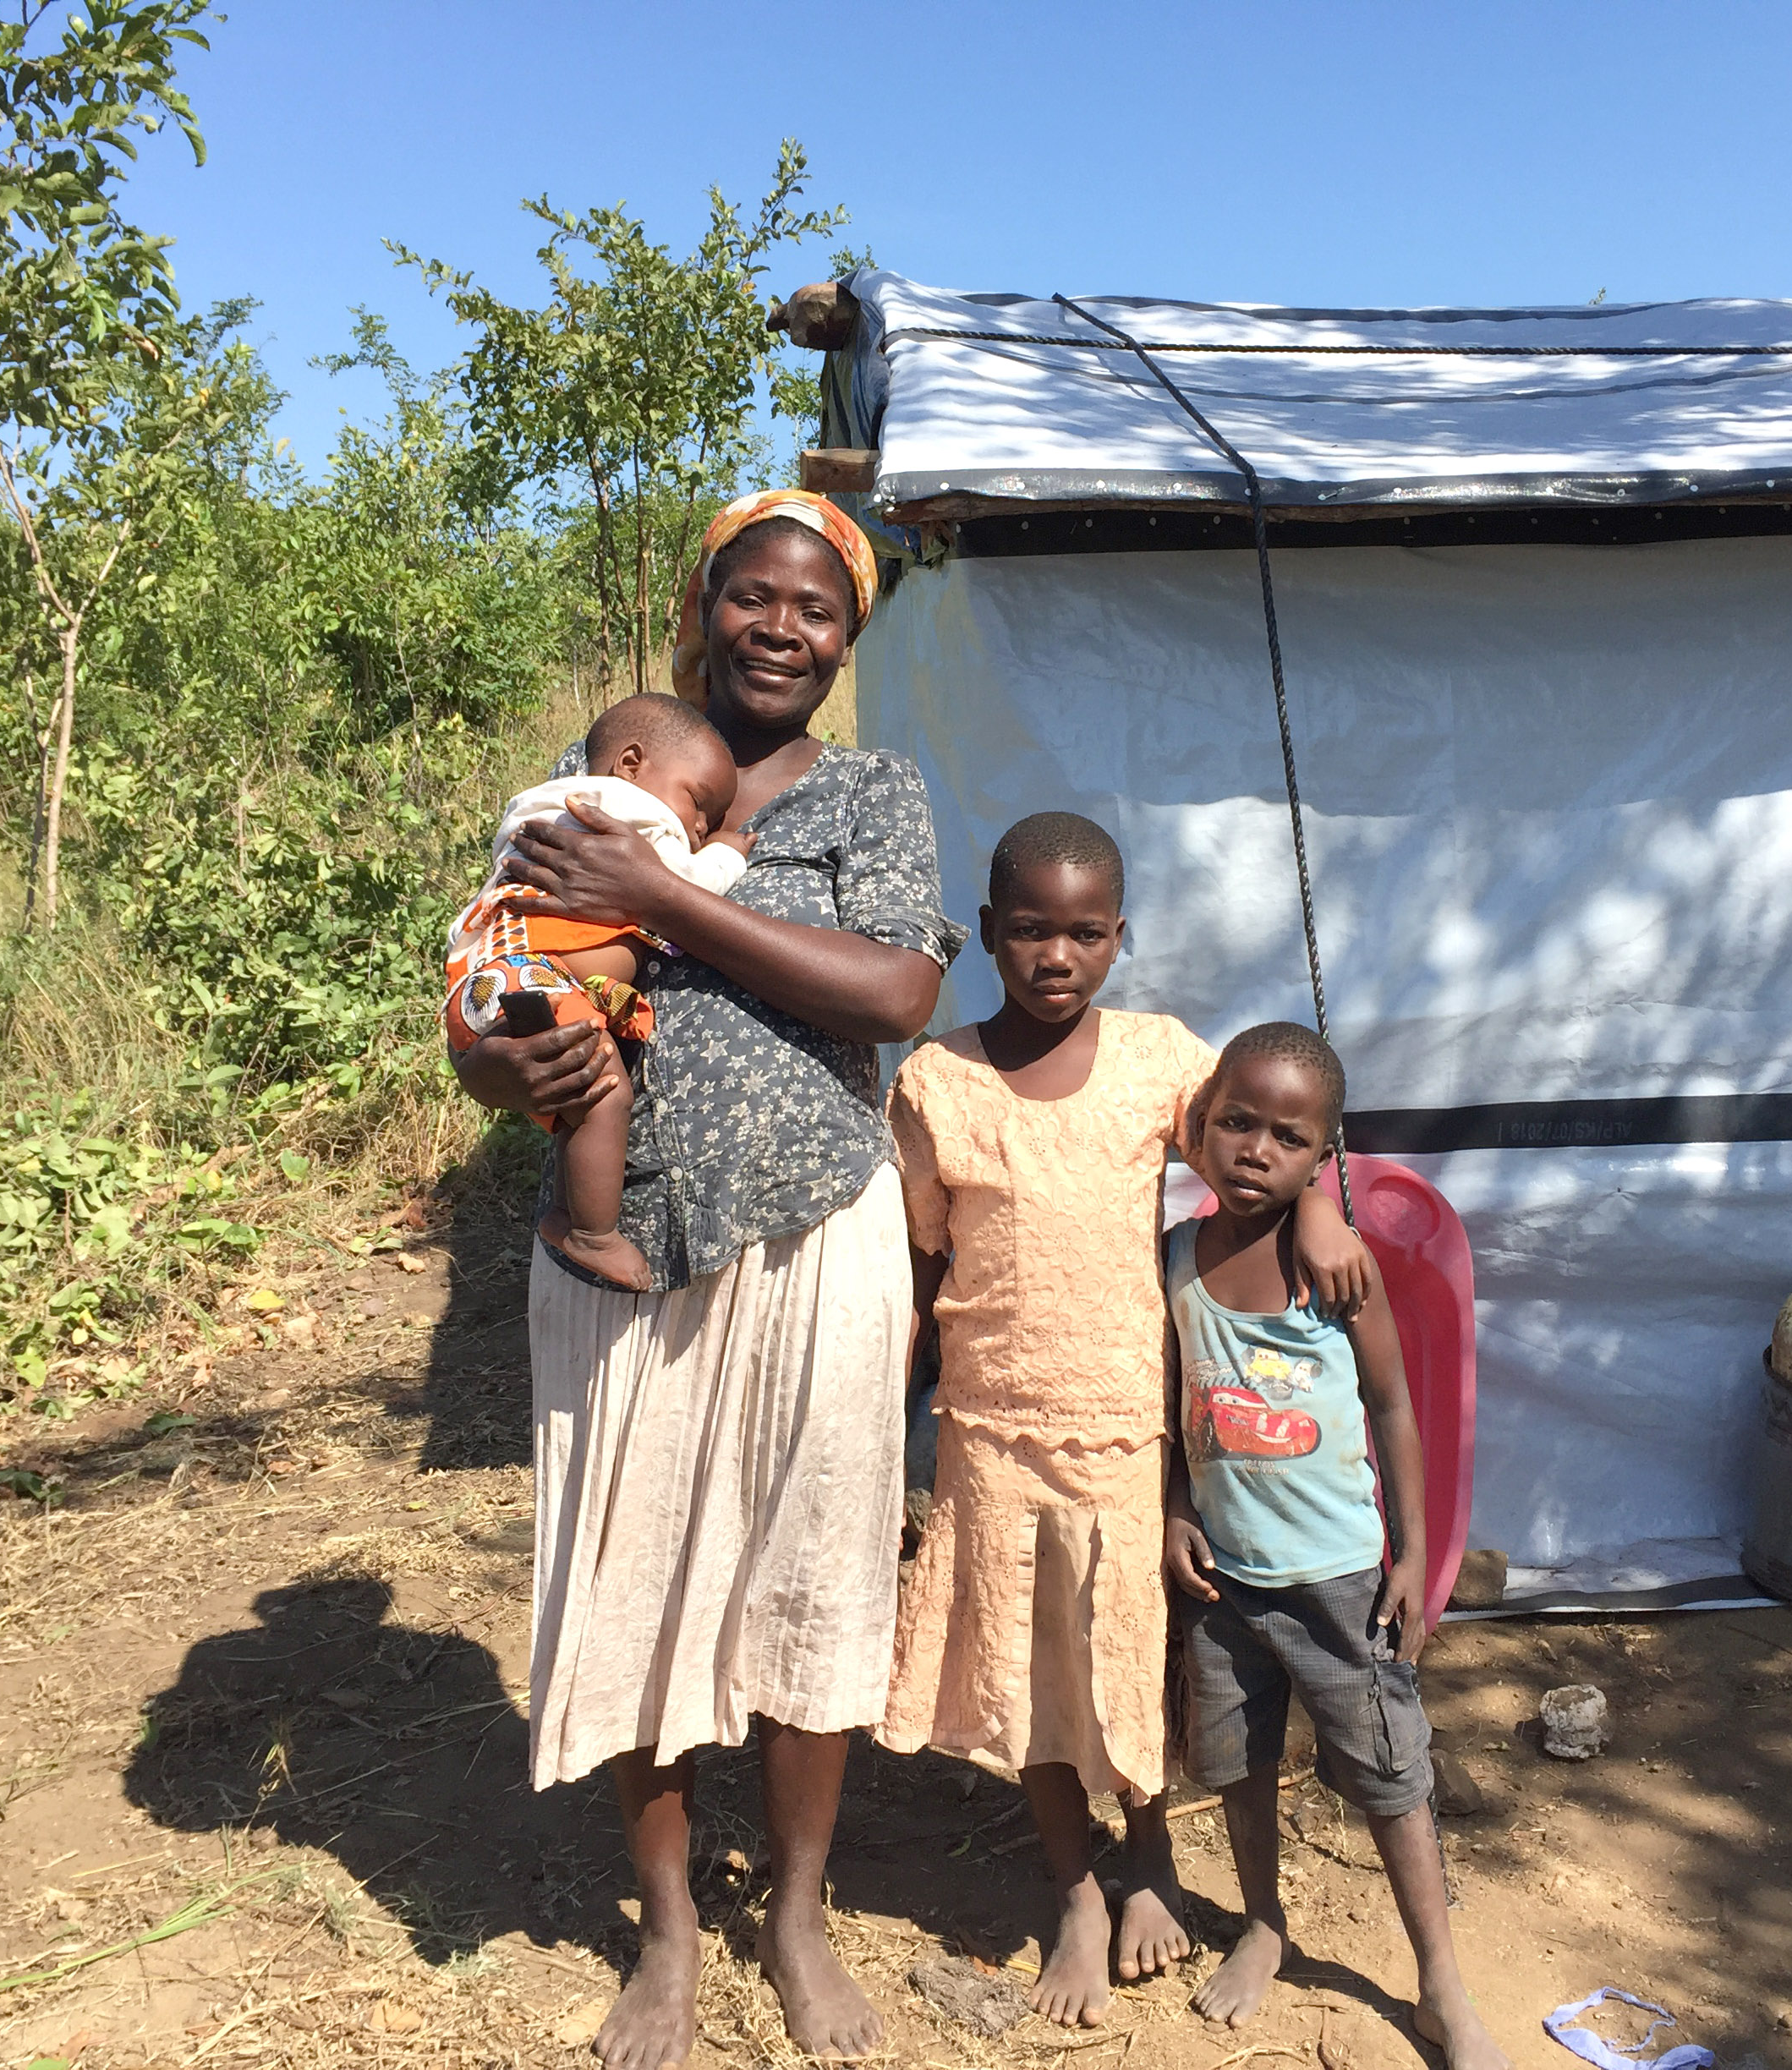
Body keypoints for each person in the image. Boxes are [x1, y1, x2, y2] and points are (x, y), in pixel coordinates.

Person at [452, 488, 958, 2070]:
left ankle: (794, 1910)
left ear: (845, 635)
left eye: (816, 608)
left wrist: (664, 901)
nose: (782, 626)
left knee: (817, 1556)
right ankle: (669, 1924)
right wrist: (503, 1062)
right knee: (635, 1565)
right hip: (623, 1248)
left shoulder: (870, 794)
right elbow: (491, 971)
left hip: (821, 1229)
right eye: (754, 595)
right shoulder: (597, 780)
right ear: (704, 601)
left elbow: (895, 987)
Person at [879, 815, 1371, 2026]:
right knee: (1031, 1662)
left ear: (1120, 939)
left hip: (1130, 1423)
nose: (1058, 954)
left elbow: (1262, 1139)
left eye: (1086, 932)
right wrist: (893, 1412)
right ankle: (1078, 1889)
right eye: (1032, 930)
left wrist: (1320, 1215)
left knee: (1121, 1654)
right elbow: (917, 1265)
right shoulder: (938, 1082)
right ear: (988, 933)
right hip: (991, 1428)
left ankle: (1149, 1855)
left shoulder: (1160, 1060)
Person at [1165, 1023, 1511, 2070]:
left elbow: (1397, 1407)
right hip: (1225, 1580)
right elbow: (1169, 1405)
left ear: (1326, 1154)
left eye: (1288, 1138)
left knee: (1390, 1773)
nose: (1256, 1152)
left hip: (1341, 1581)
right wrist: (1176, 1505)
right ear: (1200, 1126)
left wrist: (1411, 1555)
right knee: (1236, 1764)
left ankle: (1440, 1982)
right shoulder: (1176, 1256)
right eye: (1236, 1124)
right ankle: (1265, 1920)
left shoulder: (1339, 1271)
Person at [441, 692, 744, 1289]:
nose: (703, 825)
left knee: (577, 1099)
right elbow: (679, 885)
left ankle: (565, 1212)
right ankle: (592, 1232)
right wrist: (726, 858)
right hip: (535, 976)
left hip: (492, 976)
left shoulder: (545, 811)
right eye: (700, 802)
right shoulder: (622, 811)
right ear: (631, 764)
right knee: (605, 1091)